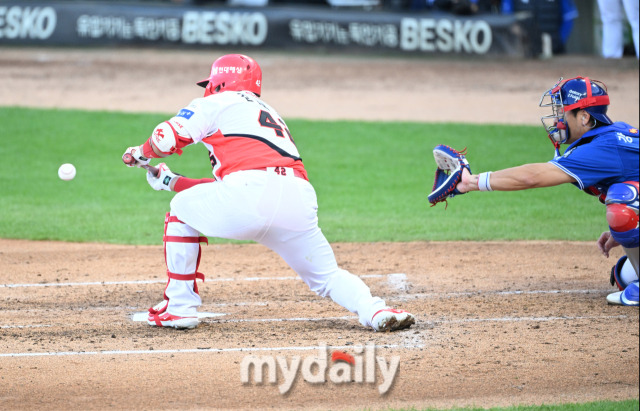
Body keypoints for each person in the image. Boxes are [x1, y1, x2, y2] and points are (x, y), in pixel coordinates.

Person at [123, 54, 415, 331]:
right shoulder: (266, 112)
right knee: (327, 276)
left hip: (250, 196)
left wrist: (140, 152)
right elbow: (238, 186)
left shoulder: (217, 103)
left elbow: (166, 137)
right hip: (296, 198)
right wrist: (172, 180)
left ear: (220, 82)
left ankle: (180, 306)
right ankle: (375, 311)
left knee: (180, 208)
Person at [454, 76, 639, 306]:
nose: (557, 120)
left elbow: (532, 177)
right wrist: (622, 231)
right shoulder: (607, 138)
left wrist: (473, 182)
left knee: (624, 200)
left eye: (563, 112)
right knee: (625, 275)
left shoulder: (603, 146)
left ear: (584, 117)